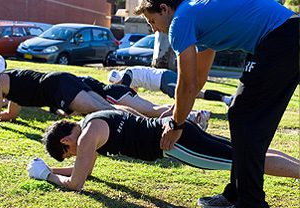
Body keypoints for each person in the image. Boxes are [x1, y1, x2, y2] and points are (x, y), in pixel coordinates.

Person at [134, 0, 299, 207]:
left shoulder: (181, 21)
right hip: (285, 36)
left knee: (243, 116)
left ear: (164, 9)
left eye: (152, 21)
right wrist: (176, 108)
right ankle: (237, 194)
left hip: (280, 37)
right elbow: (199, 78)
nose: (154, 30)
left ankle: (250, 202)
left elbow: (188, 85)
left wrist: (176, 124)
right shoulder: (195, 16)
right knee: (246, 119)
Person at [26, 110, 299, 193]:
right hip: (179, 130)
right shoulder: (94, 119)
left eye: (69, 153)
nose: (74, 156)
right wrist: (51, 169)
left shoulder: (86, 139)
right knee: (248, 152)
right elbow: (84, 169)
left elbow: (76, 183)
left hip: (174, 145)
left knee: (246, 161)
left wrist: (45, 177)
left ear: (65, 141)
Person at [0, 69, 118, 124]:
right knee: (108, 108)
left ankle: (138, 126)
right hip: (61, 79)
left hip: (58, 87)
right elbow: (10, 115)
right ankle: (140, 121)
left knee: (102, 110)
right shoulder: (11, 86)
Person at [79, 75, 210, 130]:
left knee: (152, 111)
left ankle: (193, 116)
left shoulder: (74, 84)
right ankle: (196, 114)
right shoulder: (81, 79)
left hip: (112, 95)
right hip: (119, 90)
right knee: (154, 108)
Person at [108, 66, 233, 105]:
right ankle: (227, 98)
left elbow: (123, 93)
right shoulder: (127, 75)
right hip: (163, 79)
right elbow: (133, 96)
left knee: (185, 98)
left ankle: (193, 116)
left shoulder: (127, 75)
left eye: (117, 84)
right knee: (196, 93)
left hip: (164, 79)